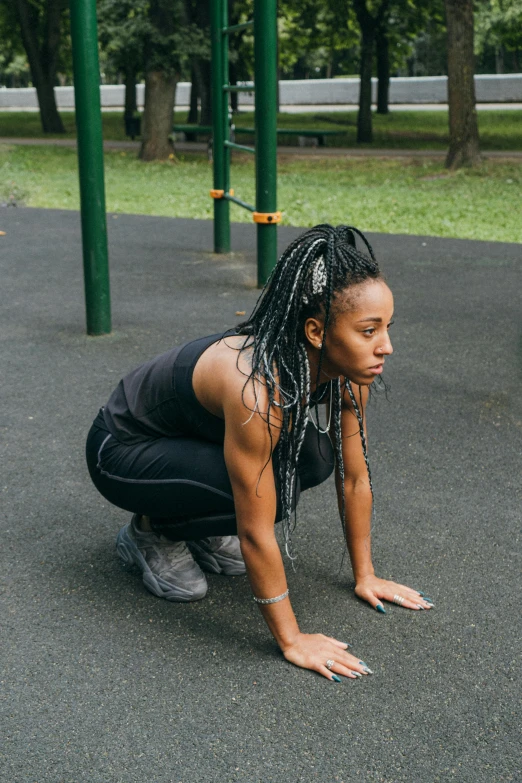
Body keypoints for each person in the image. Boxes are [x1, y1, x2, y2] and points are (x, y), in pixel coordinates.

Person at [86, 224, 433, 682]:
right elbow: (254, 531)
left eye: (387, 327)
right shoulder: (258, 388)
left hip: (191, 438)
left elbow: (353, 476)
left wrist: (365, 575)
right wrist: (292, 639)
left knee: (313, 458)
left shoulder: (351, 373)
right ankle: (151, 531)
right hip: (122, 449)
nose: (386, 345)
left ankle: (196, 524)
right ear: (315, 331)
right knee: (270, 497)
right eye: (369, 330)